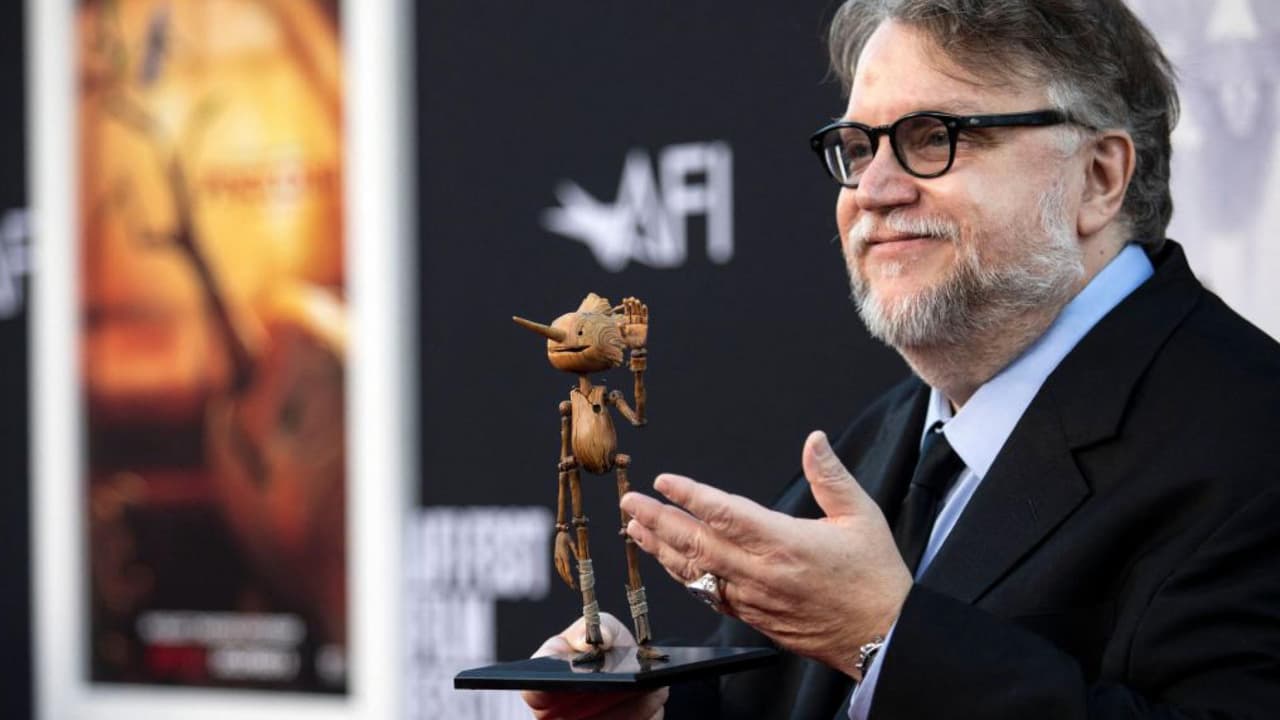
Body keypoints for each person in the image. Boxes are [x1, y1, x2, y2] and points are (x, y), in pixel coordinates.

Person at [523, 0, 1280, 717]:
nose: (875, 190)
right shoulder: (881, 440)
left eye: (933, 137)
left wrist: (886, 638)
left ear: (1099, 178)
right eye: (858, 148)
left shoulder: (1254, 442)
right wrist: (652, 707)